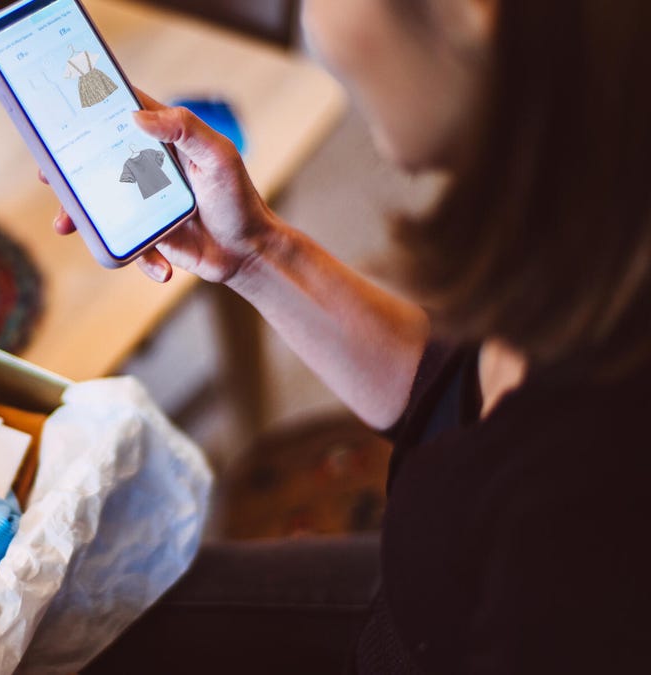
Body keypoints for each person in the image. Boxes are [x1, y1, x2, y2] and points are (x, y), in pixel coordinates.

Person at [53, 0, 651, 672]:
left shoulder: (584, 515)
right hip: (417, 605)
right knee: (76, 613)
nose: (311, 23)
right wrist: (256, 251)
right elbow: (453, 394)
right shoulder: (583, 229)